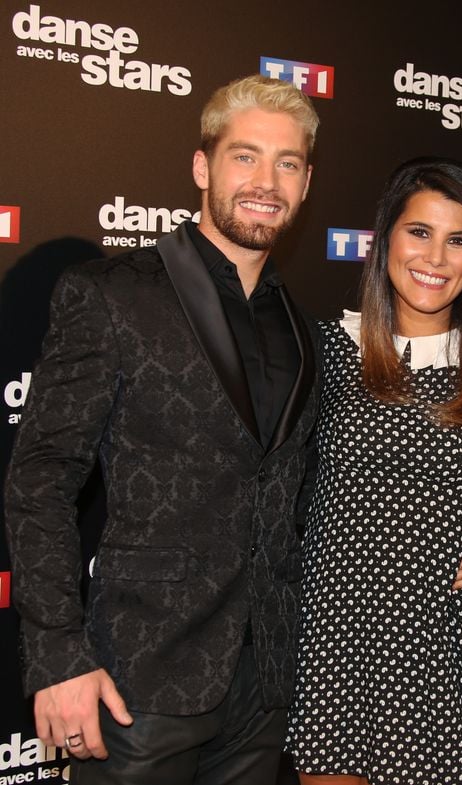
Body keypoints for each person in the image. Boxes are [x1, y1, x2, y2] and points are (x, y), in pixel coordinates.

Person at [5, 74, 321, 785]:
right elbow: (41, 480)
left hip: (265, 681)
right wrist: (57, 654)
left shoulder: (303, 327)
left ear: (306, 183)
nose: (266, 181)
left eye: (288, 162)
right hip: (139, 676)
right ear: (202, 166)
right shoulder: (112, 294)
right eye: (245, 156)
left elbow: (300, 489)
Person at [285, 156, 462, 785]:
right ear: (386, 237)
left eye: (458, 240)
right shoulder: (329, 349)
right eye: (419, 232)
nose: (435, 258)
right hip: (334, 629)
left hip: (441, 635)